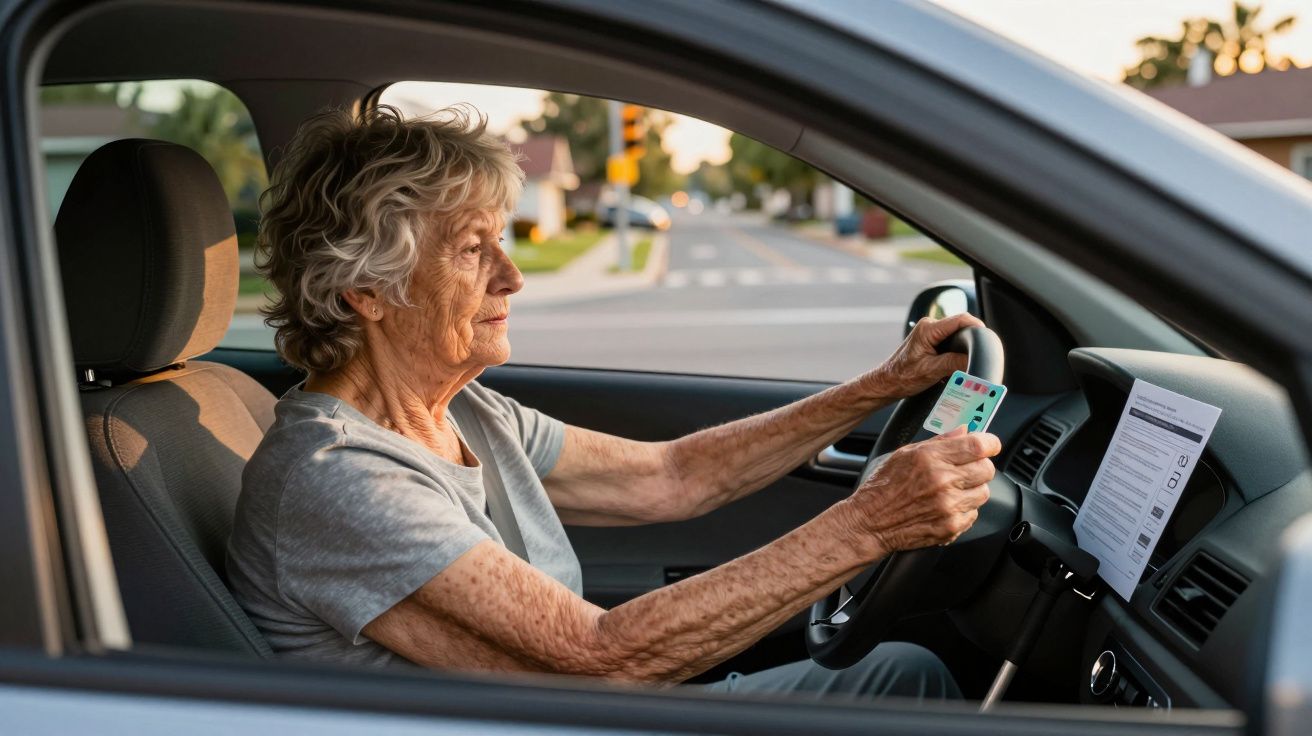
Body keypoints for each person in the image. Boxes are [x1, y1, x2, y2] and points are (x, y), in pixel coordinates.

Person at [226, 105, 999, 701]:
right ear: (366, 290)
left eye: (503, 241)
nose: (512, 277)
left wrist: (881, 385)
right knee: (909, 684)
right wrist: (869, 524)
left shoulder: (465, 412)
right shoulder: (339, 478)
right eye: (470, 249)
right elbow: (602, 658)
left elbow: (673, 476)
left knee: (905, 673)